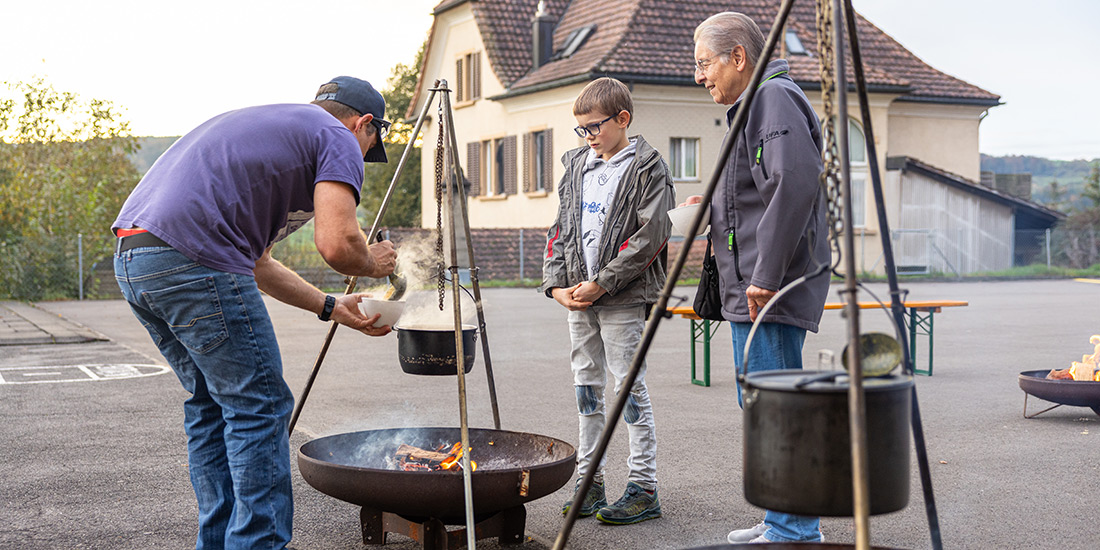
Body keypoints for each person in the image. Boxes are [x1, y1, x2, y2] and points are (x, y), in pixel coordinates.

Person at [111, 76, 398, 550]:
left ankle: (221, 543)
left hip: (137, 259)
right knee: (259, 406)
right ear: (364, 123)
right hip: (195, 261)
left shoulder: (271, 130)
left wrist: (331, 306)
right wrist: (373, 262)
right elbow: (338, 245)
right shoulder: (337, 136)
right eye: (370, 146)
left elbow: (258, 262)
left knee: (210, 405)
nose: (363, 157)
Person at [687, 12, 831, 544]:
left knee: (775, 405)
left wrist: (766, 276)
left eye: (704, 64)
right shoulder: (757, 103)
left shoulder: (773, 99)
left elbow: (793, 185)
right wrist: (714, 206)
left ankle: (794, 530)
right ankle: (781, 520)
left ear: (738, 57)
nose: (700, 76)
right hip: (753, 284)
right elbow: (760, 190)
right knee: (762, 404)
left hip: (766, 287)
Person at [540, 77, 675, 526]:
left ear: (623, 119)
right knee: (586, 387)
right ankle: (589, 481)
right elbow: (559, 229)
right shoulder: (577, 165)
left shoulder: (648, 167)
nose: (587, 137)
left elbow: (650, 237)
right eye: (580, 129)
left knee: (628, 387)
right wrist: (556, 285)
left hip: (622, 298)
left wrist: (602, 283)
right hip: (579, 300)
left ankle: (643, 487)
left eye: (594, 127)